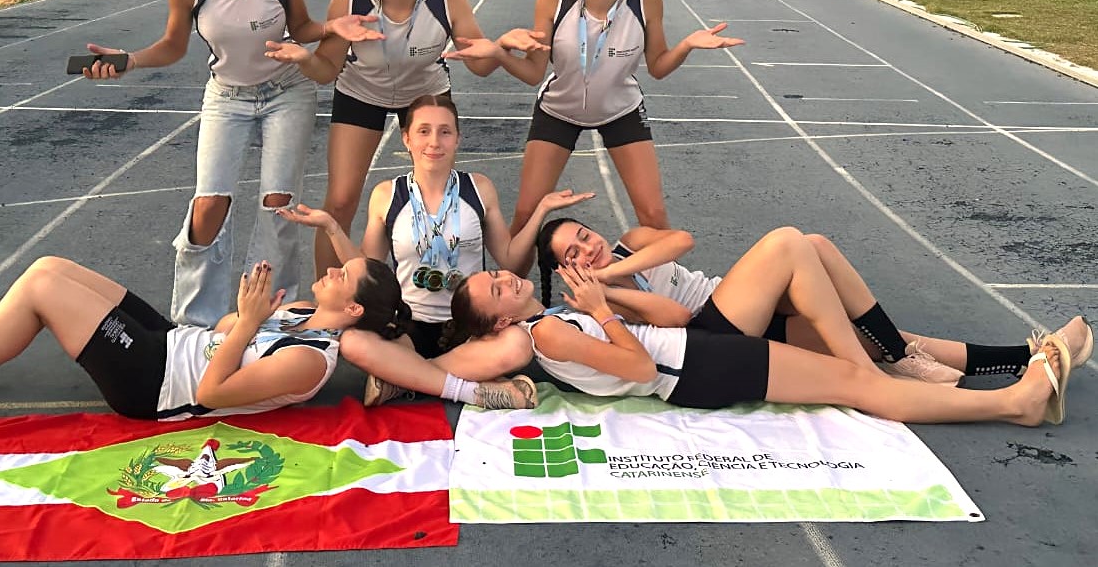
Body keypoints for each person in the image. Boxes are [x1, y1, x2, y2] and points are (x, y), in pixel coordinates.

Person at [80, 0, 383, 328]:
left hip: (287, 92)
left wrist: (333, 29)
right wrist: (130, 61)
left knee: (279, 204)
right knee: (208, 206)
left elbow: (300, 27)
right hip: (227, 96)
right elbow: (173, 45)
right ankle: (196, 323)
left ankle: (272, 315)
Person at [451, 230, 1091, 427]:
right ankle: (1018, 402)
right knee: (854, 381)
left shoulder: (553, 319)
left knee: (852, 362)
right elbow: (643, 370)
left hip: (697, 353)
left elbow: (656, 330)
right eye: (495, 290)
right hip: (696, 368)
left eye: (499, 276)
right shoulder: (547, 333)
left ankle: (1006, 376)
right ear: (500, 319)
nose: (505, 279)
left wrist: (603, 304)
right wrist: (603, 313)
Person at [449, 0, 743, 265]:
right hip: (559, 109)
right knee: (527, 215)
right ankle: (513, 305)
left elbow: (659, 67)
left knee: (654, 217)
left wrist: (687, 45)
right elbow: (533, 73)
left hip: (621, 109)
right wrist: (499, 51)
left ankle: (668, 300)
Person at [264, 0, 536, 281]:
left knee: (435, 196)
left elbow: (478, 65)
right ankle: (328, 300)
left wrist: (500, 47)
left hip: (425, 95)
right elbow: (327, 70)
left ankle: (437, 286)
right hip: (361, 92)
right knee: (341, 200)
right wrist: (304, 59)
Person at [276, 96, 595, 409]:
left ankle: (402, 378)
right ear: (407, 138)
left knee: (518, 345)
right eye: (424, 131)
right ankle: (473, 387)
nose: (434, 142)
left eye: (445, 131)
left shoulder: (479, 188)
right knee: (354, 342)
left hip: (472, 325)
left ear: (457, 138)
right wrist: (332, 227)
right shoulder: (387, 194)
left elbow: (510, 261)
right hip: (408, 324)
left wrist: (541, 211)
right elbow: (368, 268)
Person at [0, 256, 408, 423]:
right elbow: (221, 331)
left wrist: (246, 323)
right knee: (50, 266)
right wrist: (241, 322)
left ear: (354, 309)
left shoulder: (310, 362)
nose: (332, 269)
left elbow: (215, 394)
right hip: (174, 344)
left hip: (154, 387)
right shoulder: (299, 311)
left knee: (41, 289)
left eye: (342, 274)